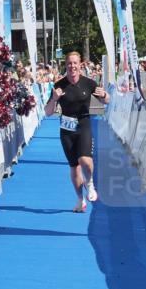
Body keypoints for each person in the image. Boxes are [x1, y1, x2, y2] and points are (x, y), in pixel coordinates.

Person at [44, 51, 108, 212]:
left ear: (80, 65)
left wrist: (105, 95)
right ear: (66, 66)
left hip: (84, 125)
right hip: (66, 130)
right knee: (74, 167)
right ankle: (80, 200)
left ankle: (91, 184)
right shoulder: (59, 85)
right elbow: (48, 112)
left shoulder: (89, 83)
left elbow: (106, 100)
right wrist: (54, 99)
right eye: (69, 63)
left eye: (75, 63)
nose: (72, 66)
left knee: (85, 160)